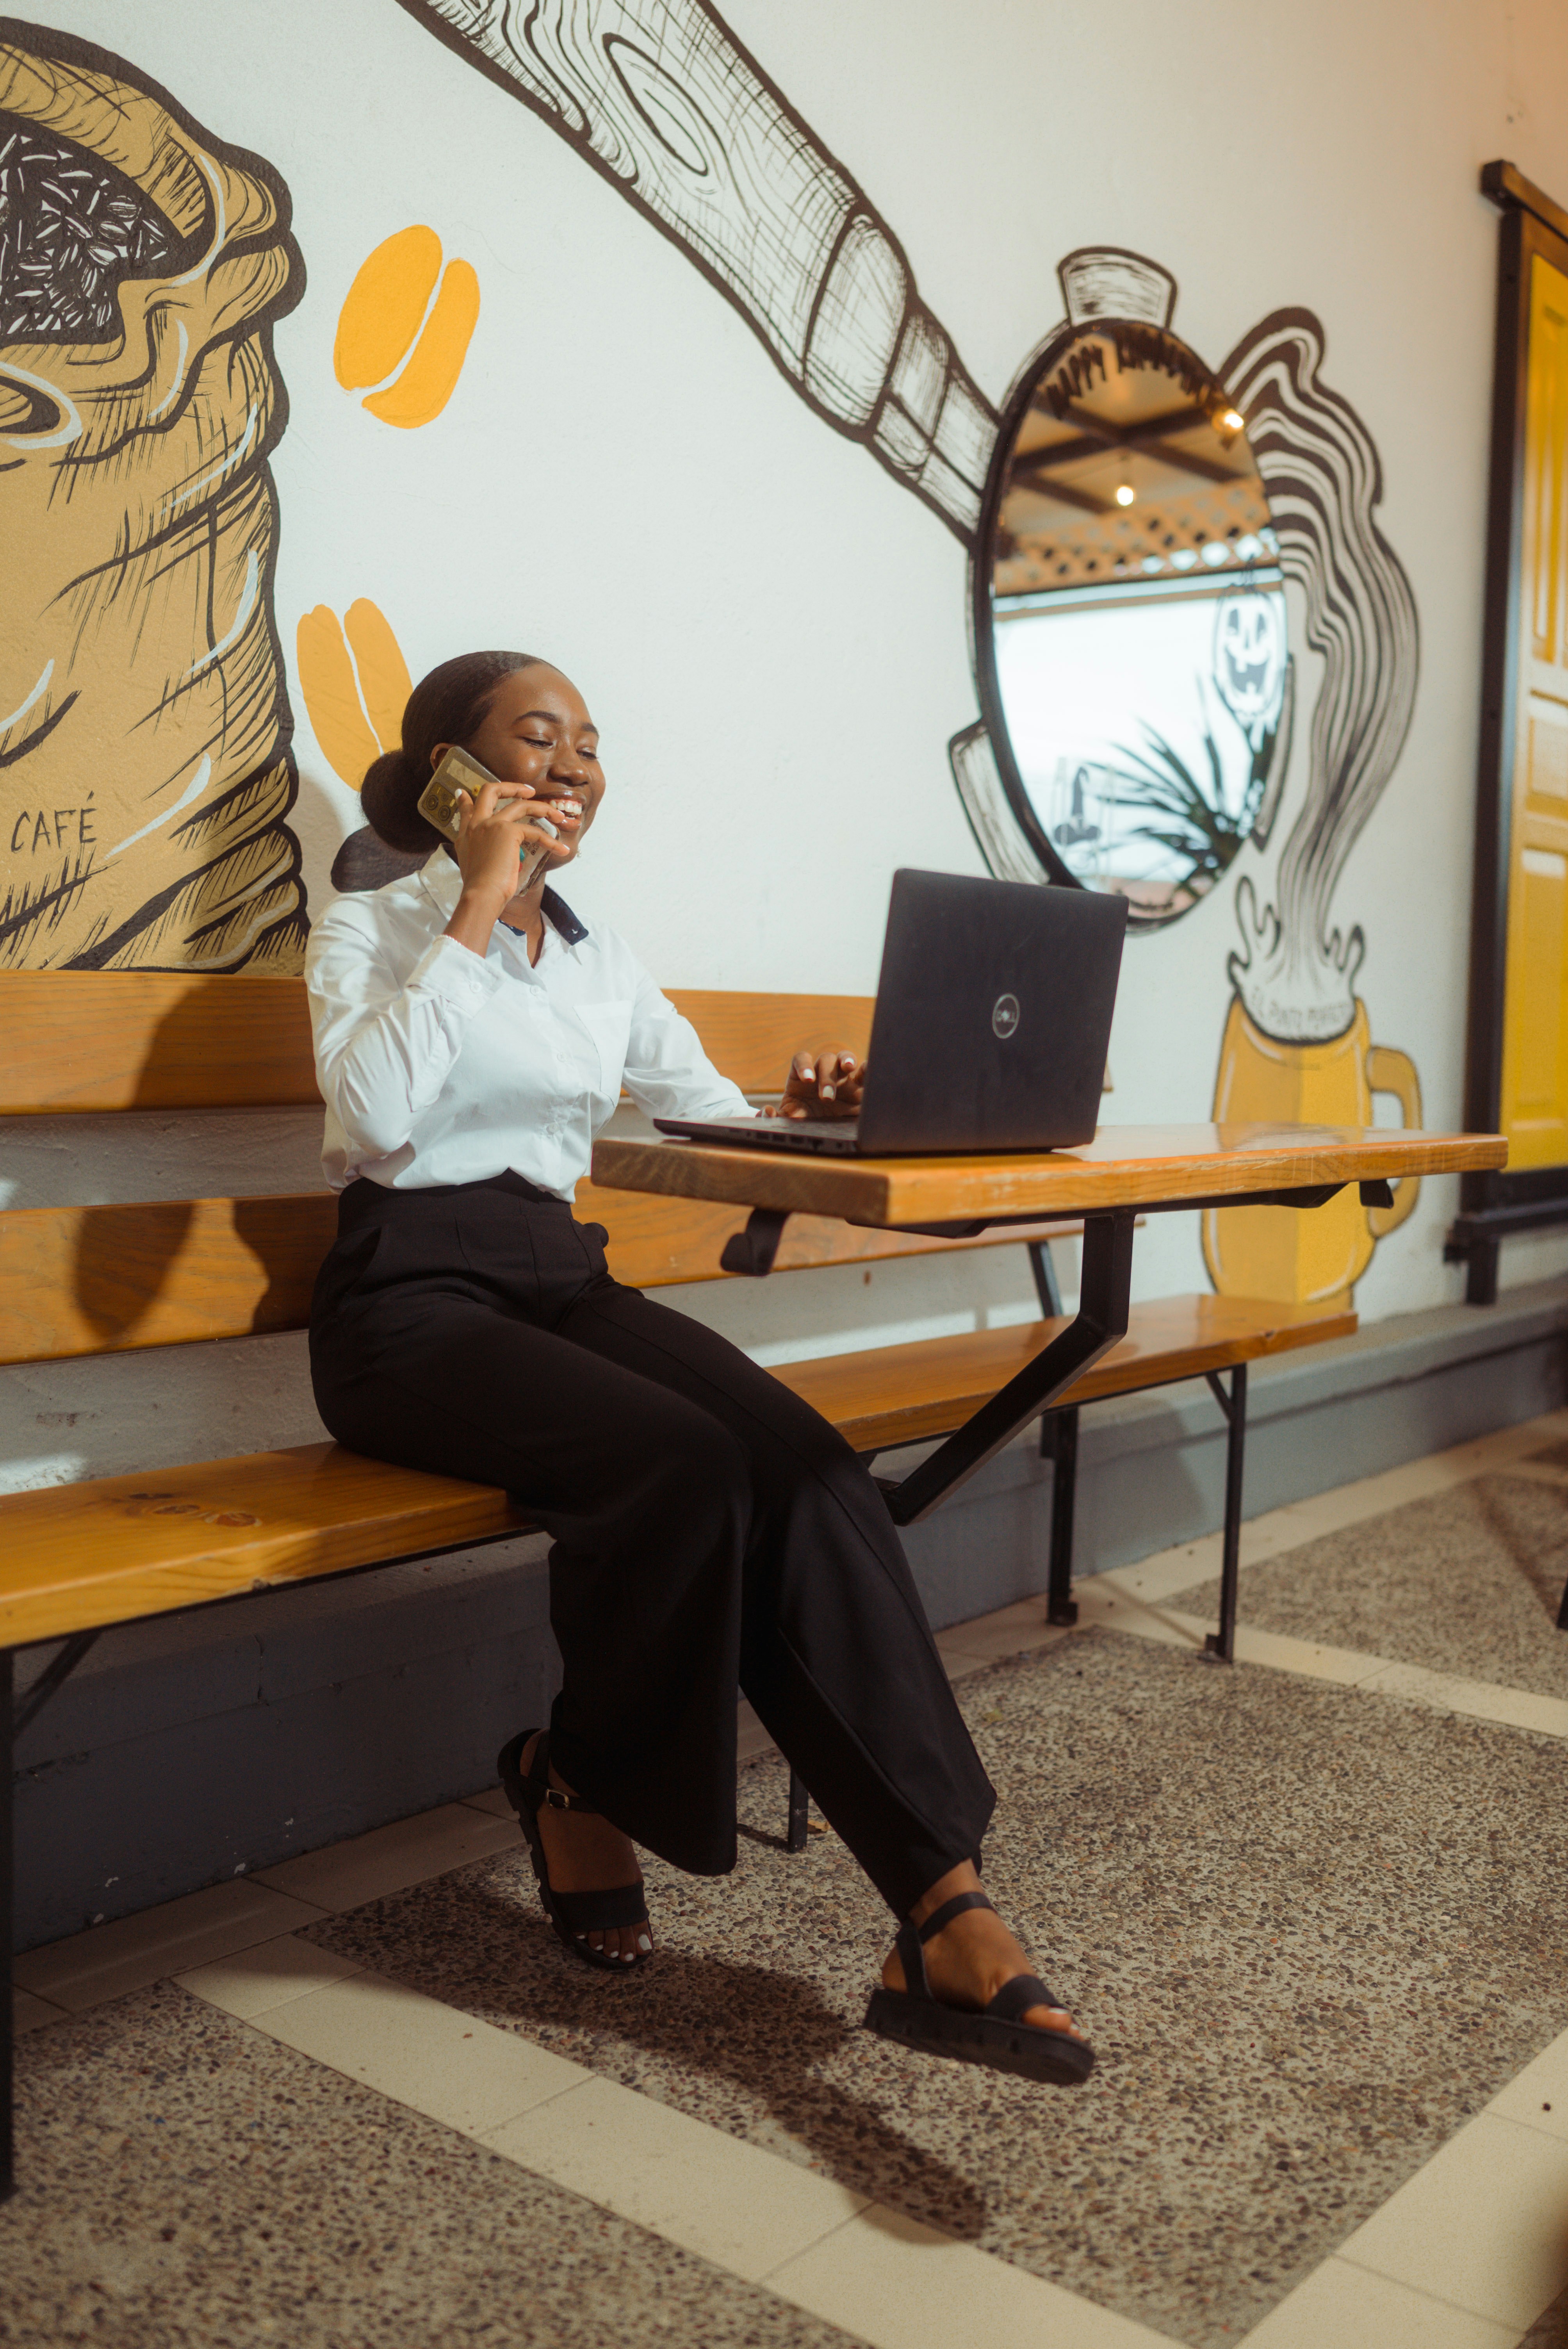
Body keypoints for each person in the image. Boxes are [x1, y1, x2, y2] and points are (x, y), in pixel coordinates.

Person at [304, 649, 1094, 2085]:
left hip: (553, 1274)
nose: (573, 767)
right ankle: (581, 1782)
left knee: (802, 1462)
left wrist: (814, 1109)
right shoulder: (373, 919)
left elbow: (709, 1114)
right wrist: (475, 900)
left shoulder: (598, 954)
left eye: (590, 745)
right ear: (453, 778)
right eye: (535, 741)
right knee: (683, 1467)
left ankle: (942, 1900)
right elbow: (370, 1118)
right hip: (403, 1305)